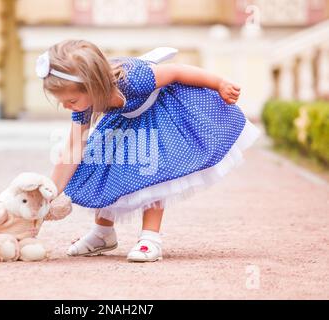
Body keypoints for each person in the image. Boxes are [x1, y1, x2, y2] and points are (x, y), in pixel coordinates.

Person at [36, 39, 261, 263]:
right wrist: (49, 194)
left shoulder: (134, 78)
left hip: (161, 114)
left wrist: (220, 83)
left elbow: (177, 72)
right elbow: (74, 148)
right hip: (125, 122)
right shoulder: (83, 105)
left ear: (94, 86)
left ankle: (150, 237)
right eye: (63, 101)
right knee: (102, 168)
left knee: (152, 172)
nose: (67, 106)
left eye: (71, 100)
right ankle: (102, 234)